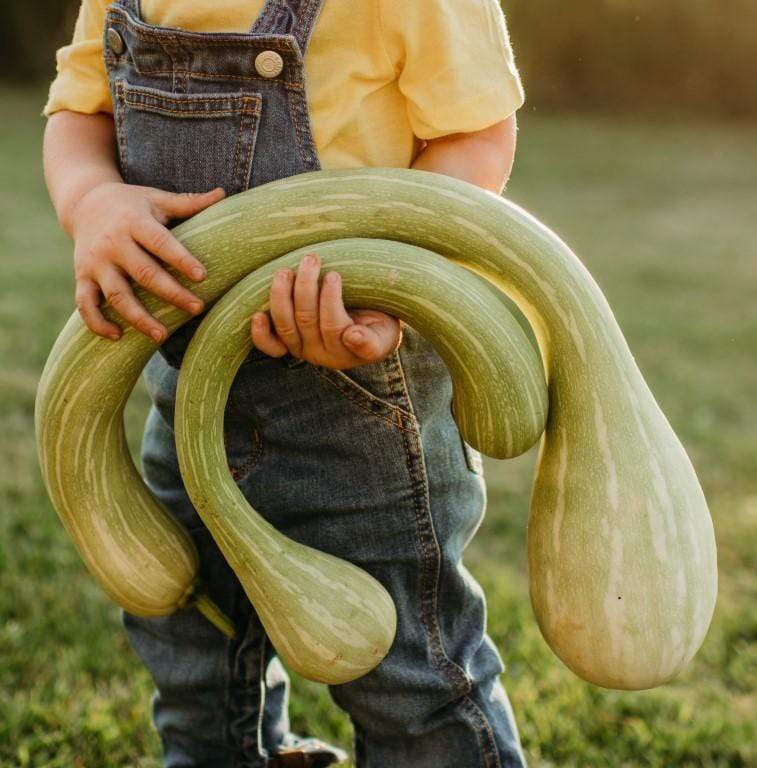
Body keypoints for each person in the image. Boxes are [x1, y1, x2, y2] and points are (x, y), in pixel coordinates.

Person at [41, 0, 527, 765]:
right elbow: (78, 112)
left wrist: (380, 285)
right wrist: (91, 198)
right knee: (195, 649)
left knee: (403, 668)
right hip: (191, 384)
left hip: (363, 394)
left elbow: (476, 134)